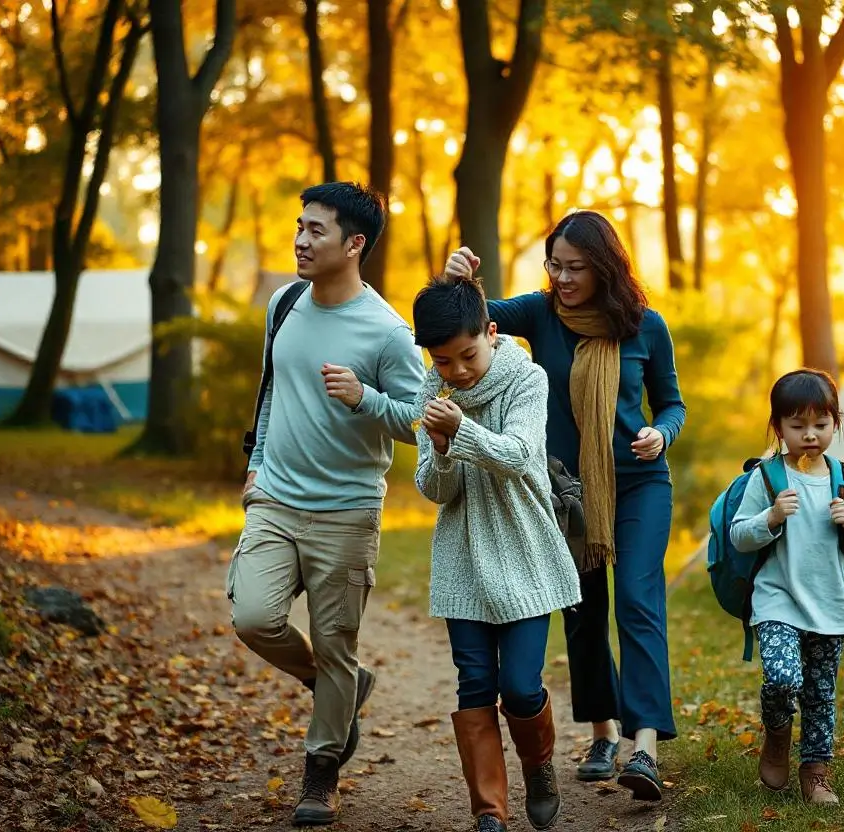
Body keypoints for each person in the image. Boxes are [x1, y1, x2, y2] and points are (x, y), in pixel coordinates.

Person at [443, 210, 686, 801]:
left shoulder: (645, 327)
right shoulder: (540, 314)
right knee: (581, 611)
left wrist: (663, 434)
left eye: (576, 267)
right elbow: (470, 325)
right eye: (555, 264)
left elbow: (671, 403)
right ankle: (603, 732)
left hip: (640, 484)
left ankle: (644, 748)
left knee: (637, 600)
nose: (564, 276)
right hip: (565, 491)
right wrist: (456, 280)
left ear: (604, 267)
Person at [229, 182, 425, 827]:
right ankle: (332, 689)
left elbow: (419, 422)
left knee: (337, 644)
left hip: (346, 512)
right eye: (299, 226)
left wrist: (363, 398)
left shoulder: (389, 333)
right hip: (276, 500)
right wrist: (255, 464)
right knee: (254, 618)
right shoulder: (284, 304)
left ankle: (321, 773)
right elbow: (267, 389)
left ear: (354, 244)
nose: (301, 239)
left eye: (317, 230)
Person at [412, 273, 581, 832]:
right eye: (443, 362)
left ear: (490, 331)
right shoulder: (433, 394)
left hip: (525, 551)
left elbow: (518, 455)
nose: (457, 372)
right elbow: (436, 490)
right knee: (475, 685)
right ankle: (489, 813)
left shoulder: (526, 381)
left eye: (467, 355)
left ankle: (538, 765)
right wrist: (440, 451)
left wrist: (462, 432)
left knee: (521, 686)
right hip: (463, 558)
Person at [728, 369, 844, 805]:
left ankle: (816, 771)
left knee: (820, 694)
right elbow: (741, 535)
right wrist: (771, 518)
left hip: (830, 605)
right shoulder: (768, 477)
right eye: (797, 426)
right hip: (779, 601)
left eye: (821, 424)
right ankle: (777, 734)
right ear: (778, 428)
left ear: (836, 422)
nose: (810, 435)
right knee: (781, 678)